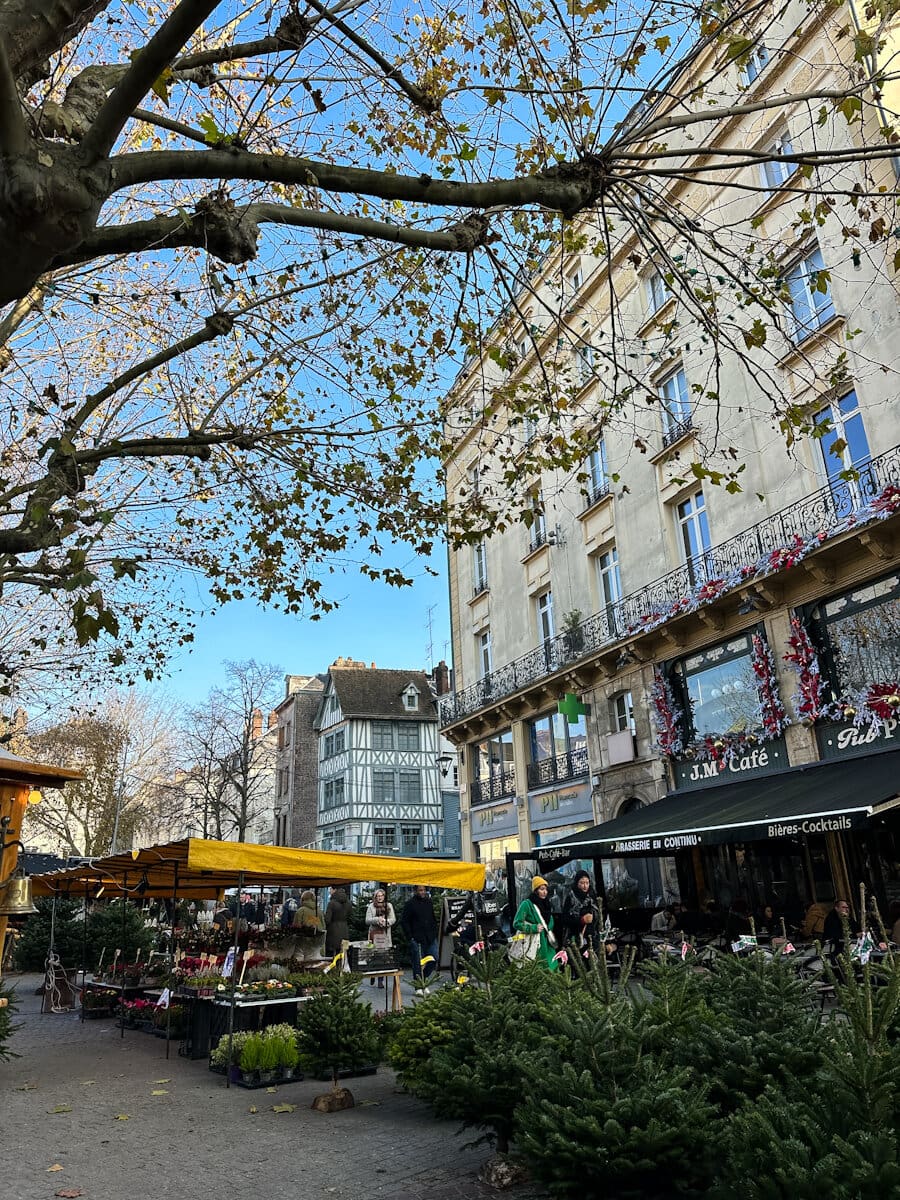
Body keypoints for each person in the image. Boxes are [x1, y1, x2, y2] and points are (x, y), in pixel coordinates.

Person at [513, 876, 560, 971]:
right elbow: (517, 923)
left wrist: (548, 928)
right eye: (542, 889)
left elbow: (549, 921)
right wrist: (533, 928)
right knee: (539, 970)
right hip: (535, 944)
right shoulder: (527, 904)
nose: (545, 892)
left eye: (546, 889)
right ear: (535, 890)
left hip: (547, 943)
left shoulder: (547, 904)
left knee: (553, 969)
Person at [401, 885, 439, 988]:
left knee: (434, 958)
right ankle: (418, 985)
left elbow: (432, 918)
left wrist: (434, 931)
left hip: (430, 937)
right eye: (420, 890)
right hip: (417, 938)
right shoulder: (410, 904)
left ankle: (423, 980)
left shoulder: (429, 902)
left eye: (424, 890)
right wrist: (410, 937)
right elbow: (404, 921)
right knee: (418, 962)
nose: (422, 892)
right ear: (415, 891)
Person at [561, 870, 600, 952]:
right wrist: (581, 920)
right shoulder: (571, 897)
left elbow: (599, 916)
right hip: (575, 938)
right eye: (582, 883)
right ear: (577, 883)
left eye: (587, 883)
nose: (585, 886)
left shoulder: (592, 896)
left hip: (592, 938)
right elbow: (564, 918)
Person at [365, 888, 397, 987]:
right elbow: (367, 920)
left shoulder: (389, 905)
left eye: (381, 896)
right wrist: (377, 920)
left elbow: (393, 919)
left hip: (385, 934)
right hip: (374, 934)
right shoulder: (371, 906)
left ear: (384, 896)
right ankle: (372, 973)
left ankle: (380, 980)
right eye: (378, 896)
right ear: (375, 897)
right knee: (373, 955)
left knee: (383, 957)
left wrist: (387, 922)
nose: (380, 898)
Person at [293, 889, 326, 961]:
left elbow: (296, 927)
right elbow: (323, 927)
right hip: (318, 944)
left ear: (303, 899)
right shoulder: (319, 911)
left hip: (304, 944)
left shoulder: (301, 911)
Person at [324, 886, 352, 957]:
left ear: (334, 890)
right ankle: (342, 967)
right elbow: (350, 918)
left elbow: (327, 920)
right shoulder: (349, 903)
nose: (329, 891)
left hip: (333, 932)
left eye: (330, 889)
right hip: (345, 931)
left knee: (331, 954)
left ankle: (333, 968)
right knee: (344, 954)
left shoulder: (331, 903)